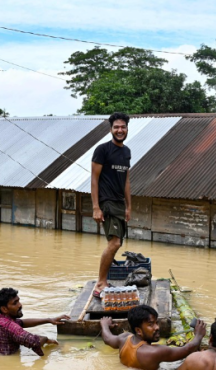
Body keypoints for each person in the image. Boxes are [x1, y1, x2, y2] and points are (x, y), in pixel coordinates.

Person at [91, 112, 132, 297]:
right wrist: (96, 207)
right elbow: (94, 178)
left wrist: (129, 207)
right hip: (106, 202)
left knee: (116, 242)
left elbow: (126, 181)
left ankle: (104, 280)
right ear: (111, 130)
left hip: (119, 204)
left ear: (127, 129)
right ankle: (100, 283)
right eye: (116, 127)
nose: (120, 130)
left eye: (123, 127)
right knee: (114, 243)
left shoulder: (126, 152)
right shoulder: (102, 150)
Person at [101, 305, 207, 370]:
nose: (157, 327)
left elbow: (107, 338)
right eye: (151, 324)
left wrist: (104, 324)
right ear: (138, 330)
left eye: (156, 322)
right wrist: (198, 335)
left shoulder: (123, 338)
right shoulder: (155, 352)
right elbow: (187, 349)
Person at [0, 287, 70, 356]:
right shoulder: (10, 326)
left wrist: (49, 320)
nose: (20, 305)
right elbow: (35, 342)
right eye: (15, 303)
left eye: (18, 301)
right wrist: (47, 339)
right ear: (4, 309)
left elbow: (22, 322)